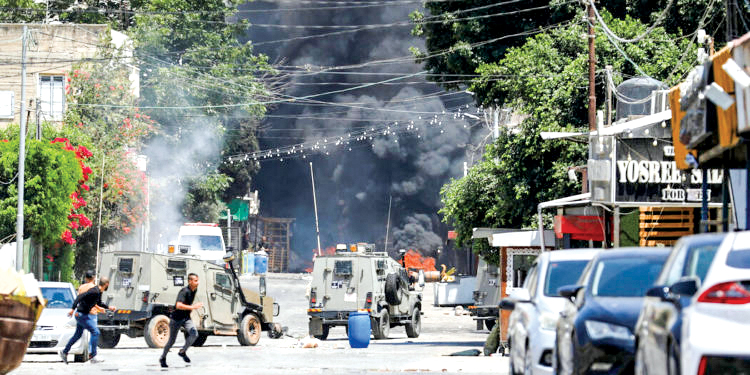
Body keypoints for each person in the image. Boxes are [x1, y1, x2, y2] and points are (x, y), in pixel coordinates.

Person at [60, 277, 116, 364]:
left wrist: (109, 307)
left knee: (77, 335)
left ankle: (64, 352)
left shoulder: (98, 292)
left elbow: (99, 303)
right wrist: (72, 309)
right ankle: (93, 356)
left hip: (82, 314)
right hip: (81, 315)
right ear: (106, 284)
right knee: (95, 332)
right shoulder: (94, 291)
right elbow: (80, 297)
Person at [160, 273, 203, 368]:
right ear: (190, 281)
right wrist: (192, 307)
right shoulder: (184, 291)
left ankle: (182, 351)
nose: (198, 282)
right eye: (196, 281)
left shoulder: (194, 290)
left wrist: (191, 309)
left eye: (198, 280)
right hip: (176, 318)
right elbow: (178, 305)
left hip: (186, 318)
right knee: (171, 341)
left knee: (194, 334)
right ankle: (163, 357)